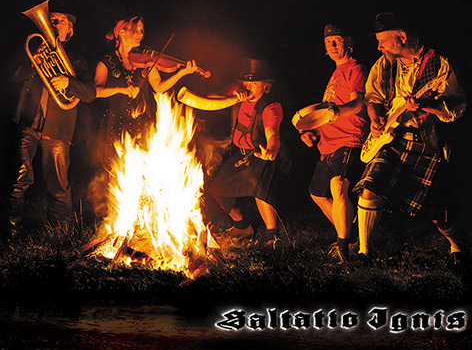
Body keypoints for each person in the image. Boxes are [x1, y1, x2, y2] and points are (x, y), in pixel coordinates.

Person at [354, 12, 467, 263]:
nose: (379, 46)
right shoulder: (385, 64)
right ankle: (364, 252)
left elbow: (456, 108)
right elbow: (372, 97)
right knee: (370, 186)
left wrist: (425, 105)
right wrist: (375, 119)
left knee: (438, 213)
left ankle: (457, 246)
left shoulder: (438, 65)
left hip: (425, 141)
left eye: (382, 41)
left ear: (402, 37)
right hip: (392, 138)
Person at [4, 8, 96, 237]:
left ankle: (59, 231)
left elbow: (90, 93)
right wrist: (31, 63)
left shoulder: (76, 59)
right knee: (19, 176)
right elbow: (10, 77)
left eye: (61, 21)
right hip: (29, 121)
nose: (54, 23)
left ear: (69, 30)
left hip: (58, 127)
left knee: (58, 183)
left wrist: (69, 82)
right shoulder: (33, 50)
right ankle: (9, 229)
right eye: (52, 19)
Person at [298, 24, 369, 263]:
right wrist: (313, 132)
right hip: (327, 144)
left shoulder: (356, 68)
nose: (333, 45)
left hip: (348, 139)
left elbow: (357, 104)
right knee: (317, 194)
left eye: (337, 40)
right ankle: (350, 233)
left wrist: (336, 112)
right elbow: (326, 113)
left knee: (339, 189)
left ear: (349, 43)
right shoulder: (336, 73)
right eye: (329, 42)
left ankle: (343, 250)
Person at [94, 16, 198, 169]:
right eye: (136, 30)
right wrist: (120, 90)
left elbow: (158, 86)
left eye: (142, 31)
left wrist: (182, 72)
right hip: (117, 124)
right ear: (121, 32)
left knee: (143, 170)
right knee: (117, 170)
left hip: (143, 123)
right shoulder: (107, 62)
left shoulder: (145, 59)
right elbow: (96, 91)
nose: (140, 34)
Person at [209, 58, 289, 244]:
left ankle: (272, 236)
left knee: (260, 190)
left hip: (260, 154)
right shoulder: (237, 94)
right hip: (240, 154)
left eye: (254, 83)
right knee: (217, 188)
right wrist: (231, 96)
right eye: (246, 82)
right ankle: (242, 226)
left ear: (265, 86)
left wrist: (271, 149)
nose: (248, 86)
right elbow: (212, 97)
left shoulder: (270, 108)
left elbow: (273, 133)